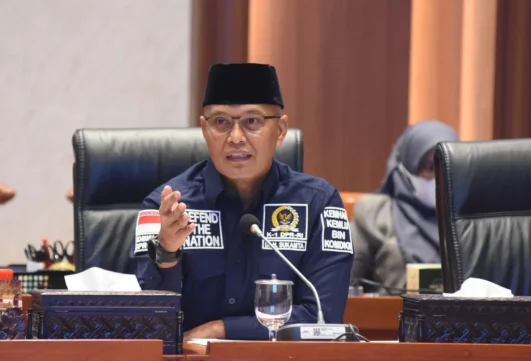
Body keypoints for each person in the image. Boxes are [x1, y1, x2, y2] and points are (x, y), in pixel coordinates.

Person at [131, 63, 354, 340]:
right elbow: (147, 321)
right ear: (204, 129)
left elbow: (323, 318)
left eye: (252, 121)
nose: (236, 138)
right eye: (220, 122)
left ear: (281, 129)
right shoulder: (165, 207)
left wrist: (221, 330)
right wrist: (167, 251)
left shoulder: (320, 204)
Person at [350, 120, 459, 292]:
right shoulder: (373, 215)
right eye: (431, 167)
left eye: (446, 167)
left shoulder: (471, 220)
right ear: (407, 167)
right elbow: (344, 284)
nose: (438, 178)